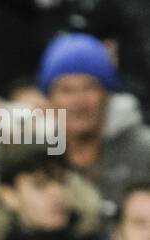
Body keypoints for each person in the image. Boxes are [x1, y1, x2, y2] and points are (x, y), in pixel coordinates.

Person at [38, 32, 150, 215]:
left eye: (89, 87)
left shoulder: (144, 151)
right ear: (49, 100)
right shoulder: (36, 152)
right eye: (66, 90)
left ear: (108, 94)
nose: (78, 102)